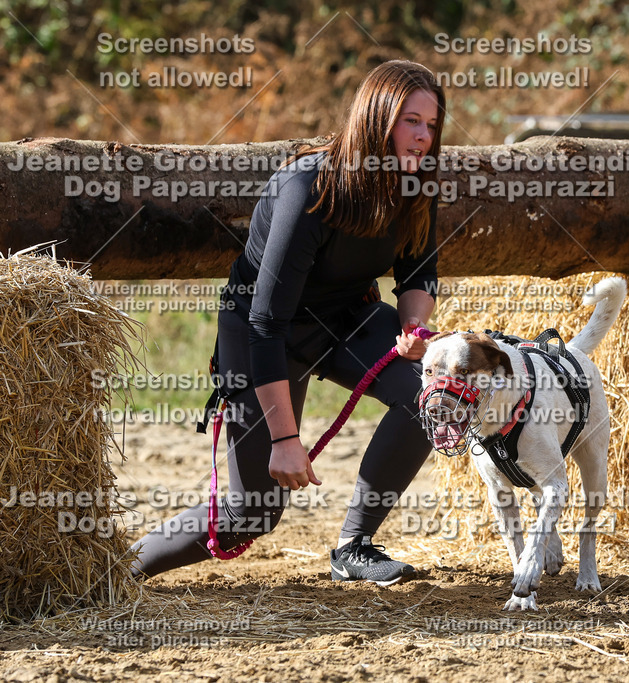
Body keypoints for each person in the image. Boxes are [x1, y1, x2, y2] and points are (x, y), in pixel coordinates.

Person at [130, 60, 445, 586]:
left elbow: (420, 271)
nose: (423, 137)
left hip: (345, 316)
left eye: (431, 125)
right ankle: (117, 568)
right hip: (259, 330)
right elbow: (265, 322)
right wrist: (284, 438)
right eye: (410, 120)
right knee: (250, 515)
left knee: (431, 394)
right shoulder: (310, 188)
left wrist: (413, 329)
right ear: (375, 119)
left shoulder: (414, 184)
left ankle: (355, 546)